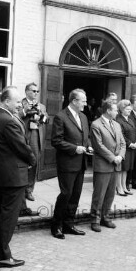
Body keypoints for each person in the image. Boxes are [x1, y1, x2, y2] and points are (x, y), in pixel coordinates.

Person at [0, 86, 36, 268]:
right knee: (8, 217)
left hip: (4, 174)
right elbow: (21, 147)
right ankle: (2, 257)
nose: (19, 105)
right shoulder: (8, 120)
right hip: (13, 175)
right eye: (16, 102)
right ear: (7, 101)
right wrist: (32, 159)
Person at [51, 89, 92, 239]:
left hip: (80, 163)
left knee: (75, 195)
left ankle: (69, 224)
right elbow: (56, 141)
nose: (85, 104)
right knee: (66, 194)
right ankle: (56, 226)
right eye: (83, 101)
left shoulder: (83, 116)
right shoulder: (60, 117)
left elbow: (85, 136)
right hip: (67, 164)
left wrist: (88, 145)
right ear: (74, 101)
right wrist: (75, 148)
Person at [90, 100, 126, 232]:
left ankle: (106, 217)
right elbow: (98, 146)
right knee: (99, 194)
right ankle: (95, 220)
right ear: (108, 111)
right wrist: (113, 158)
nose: (117, 112)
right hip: (103, 165)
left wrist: (120, 156)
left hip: (116, 164)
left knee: (110, 193)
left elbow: (123, 143)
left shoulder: (116, 124)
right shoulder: (96, 124)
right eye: (116, 110)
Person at [18, 82, 48, 216]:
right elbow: (17, 115)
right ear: (26, 91)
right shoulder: (20, 103)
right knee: (22, 165)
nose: (36, 93)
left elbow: (46, 119)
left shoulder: (41, 105)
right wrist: (26, 110)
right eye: (33, 91)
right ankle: (21, 190)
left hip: (36, 136)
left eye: (37, 91)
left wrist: (40, 117)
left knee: (34, 163)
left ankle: (29, 189)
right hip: (23, 137)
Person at [115, 99, 136, 195]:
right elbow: (121, 135)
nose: (130, 111)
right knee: (121, 169)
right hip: (123, 148)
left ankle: (124, 186)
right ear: (121, 109)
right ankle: (119, 187)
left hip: (131, 148)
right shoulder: (119, 120)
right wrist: (130, 144)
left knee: (126, 169)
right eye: (127, 109)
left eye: (130, 109)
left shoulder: (131, 119)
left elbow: (134, 132)